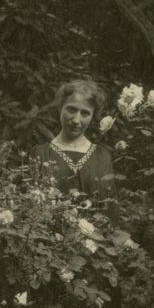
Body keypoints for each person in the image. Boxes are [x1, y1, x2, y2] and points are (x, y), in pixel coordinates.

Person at [31, 79, 116, 210]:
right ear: (60, 108)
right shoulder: (40, 153)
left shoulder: (102, 156)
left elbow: (109, 208)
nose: (76, 120)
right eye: (71, 110)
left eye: (85, 113)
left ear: (93, 116)